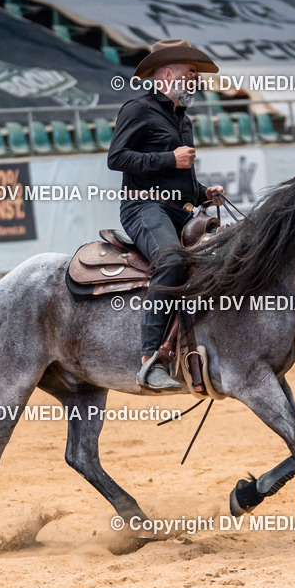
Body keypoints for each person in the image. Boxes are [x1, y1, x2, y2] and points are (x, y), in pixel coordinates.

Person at [107, 39, 225, 390]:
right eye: (190, 74)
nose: (195, 80)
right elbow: (117, 158)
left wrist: (203, 192)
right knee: (171, 261)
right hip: (143, 206)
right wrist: (168, 159)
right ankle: (151, 360)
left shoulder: (182, 118)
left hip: (178, 208)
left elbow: (180, 177)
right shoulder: (137, 109)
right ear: (168, 73)